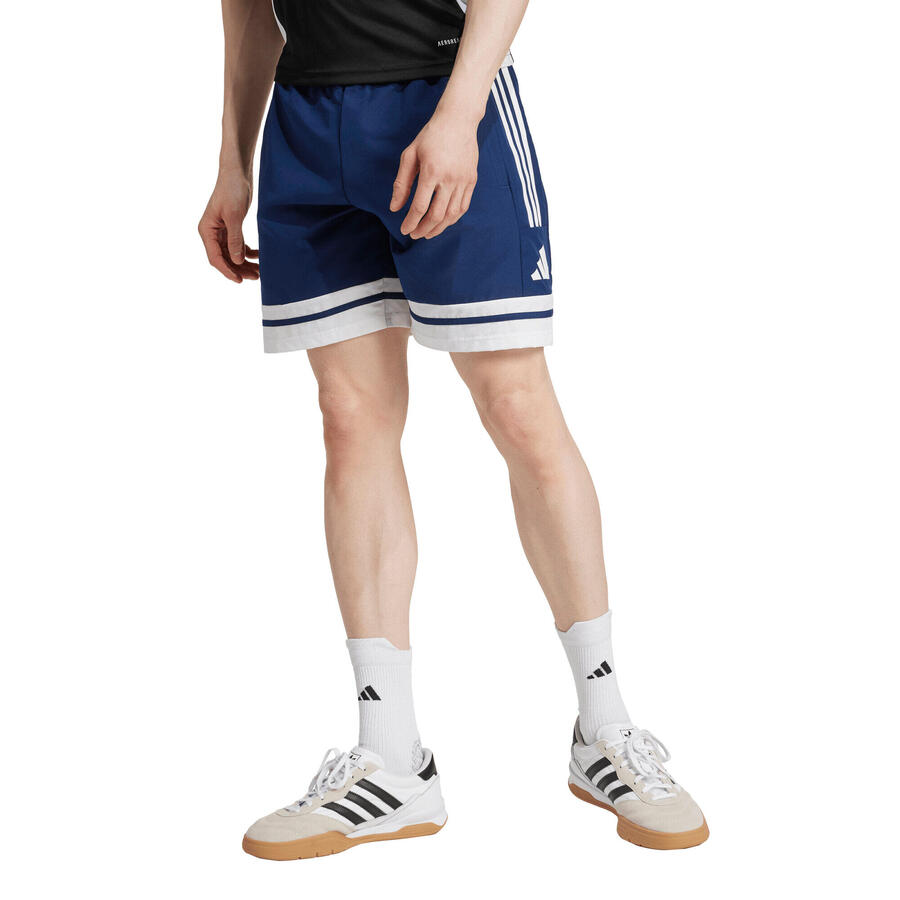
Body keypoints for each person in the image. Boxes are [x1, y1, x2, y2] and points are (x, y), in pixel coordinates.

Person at [199, 0, 708, 859]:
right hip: (306, 126)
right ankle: (391, 758)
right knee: (349, 419)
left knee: (515, 404)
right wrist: (231, 163)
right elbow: (248, 13)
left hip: (440, 97)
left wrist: (462, 112)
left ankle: (606, 728)